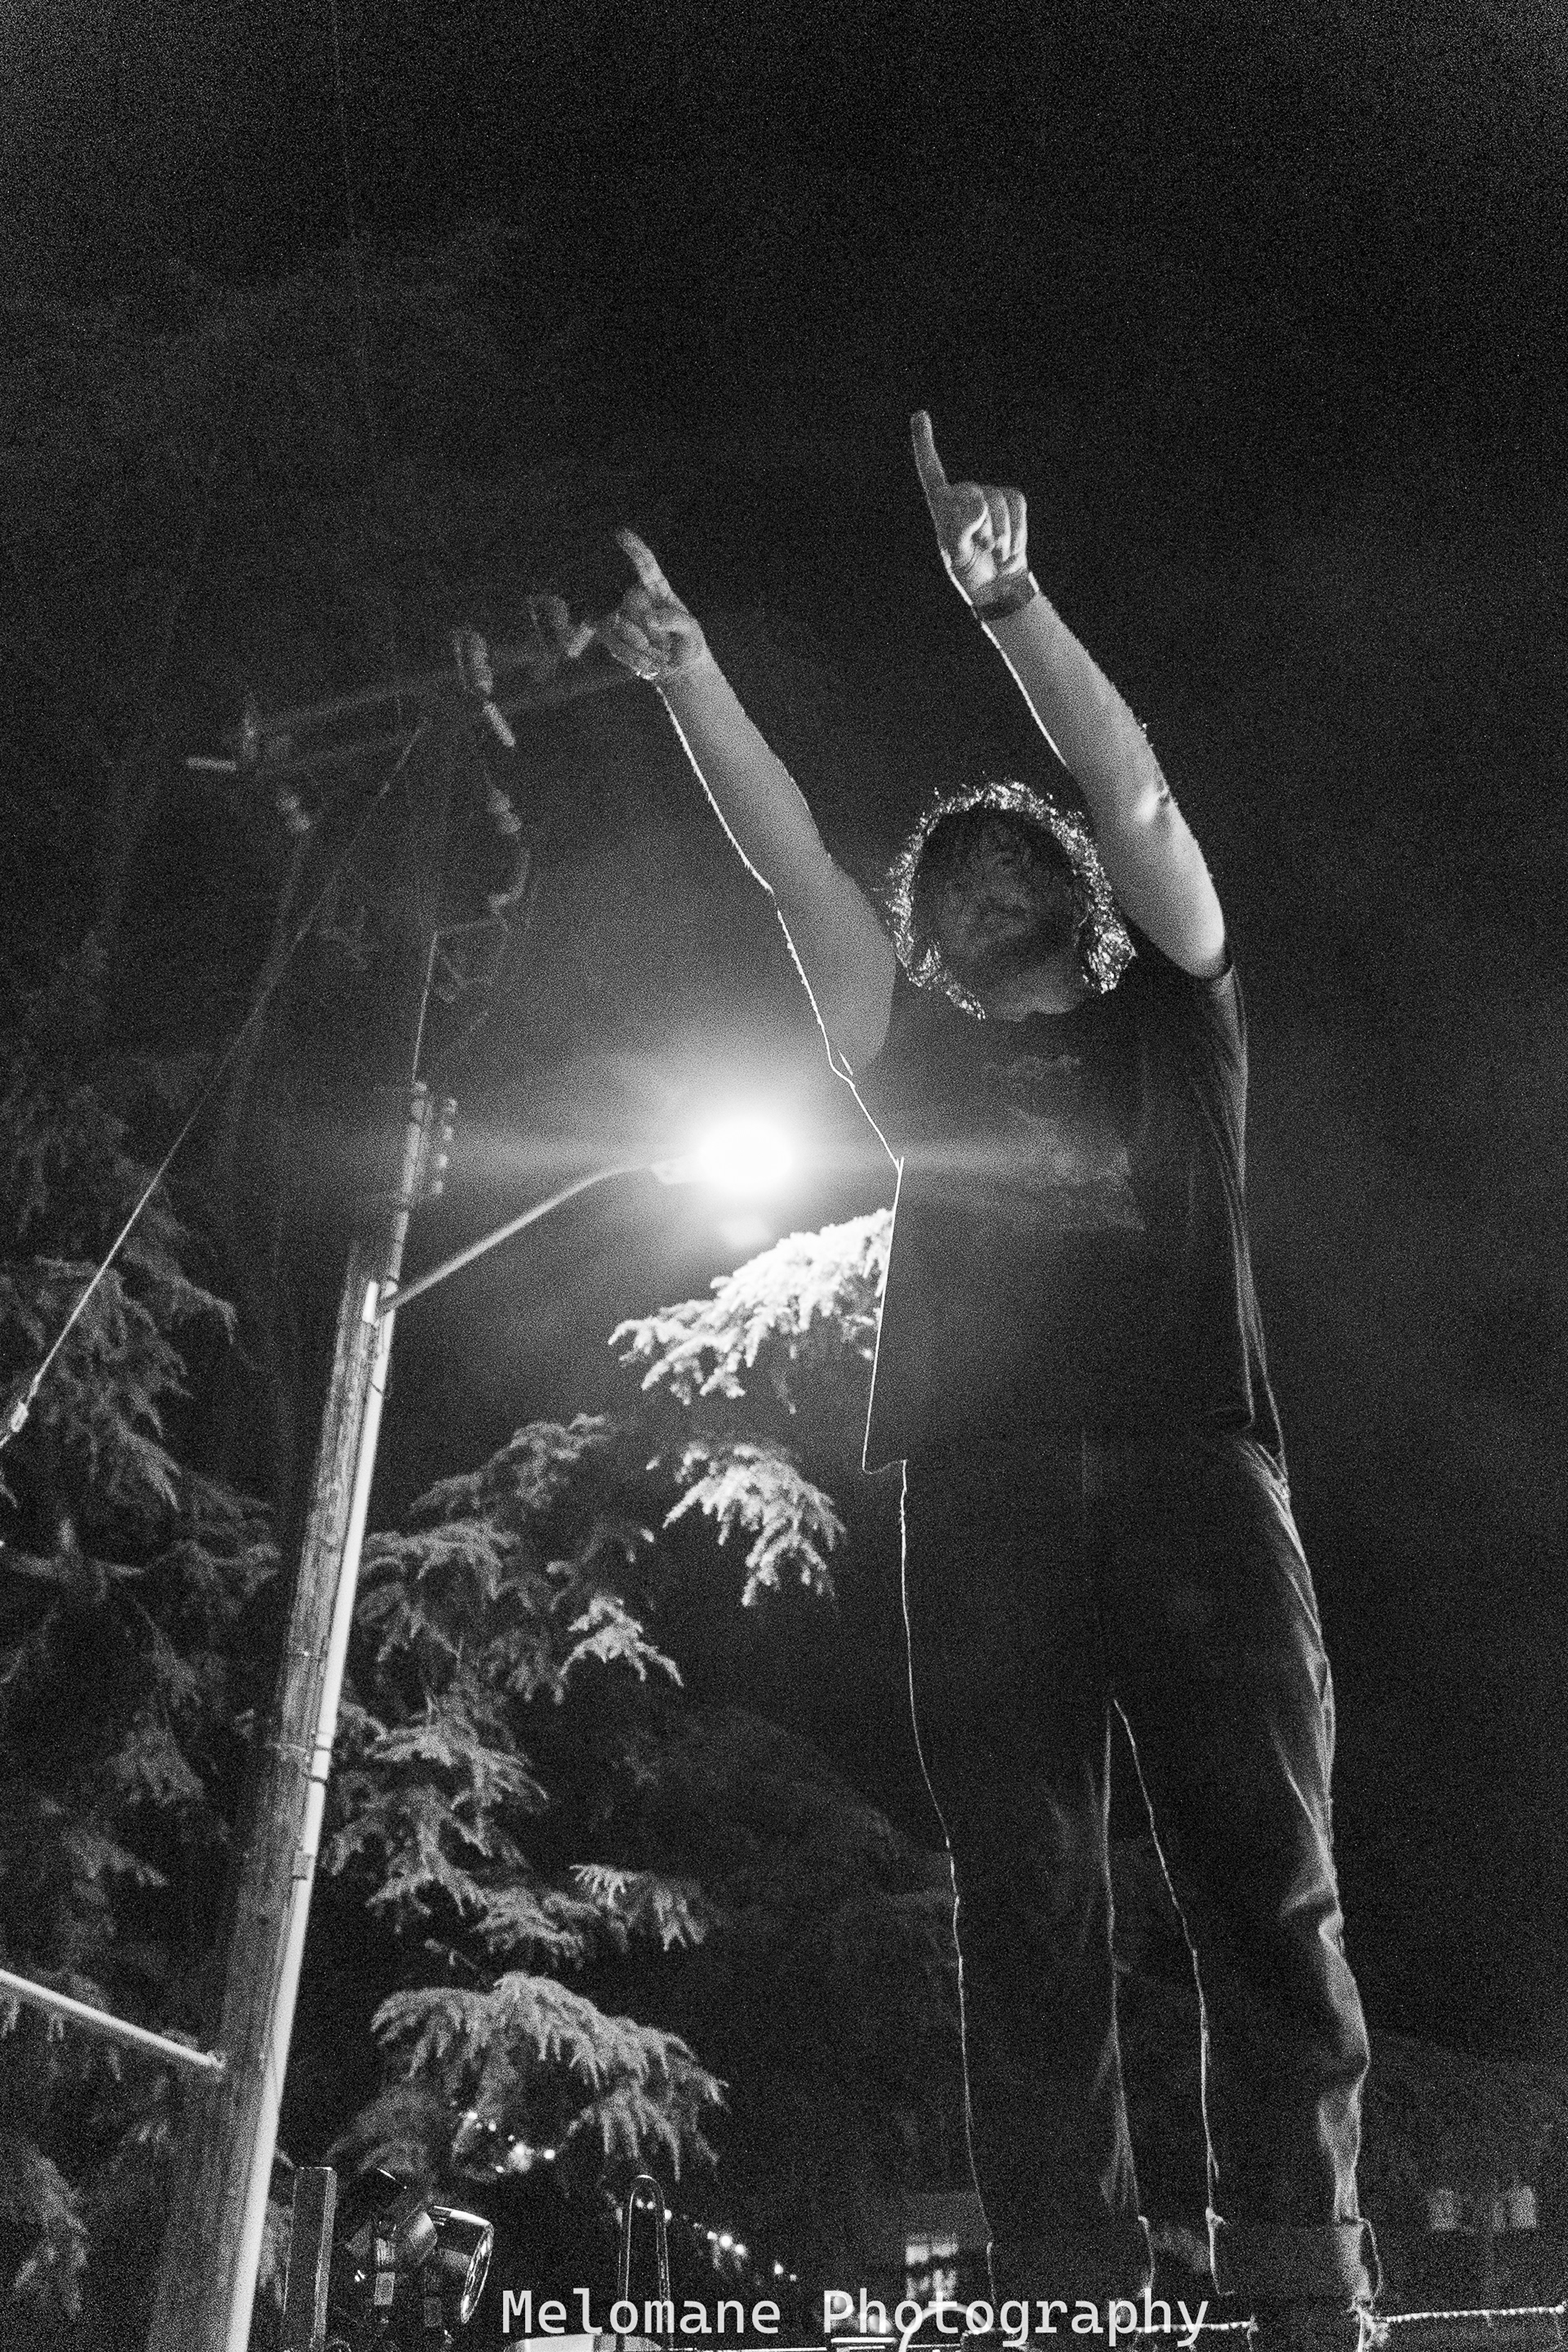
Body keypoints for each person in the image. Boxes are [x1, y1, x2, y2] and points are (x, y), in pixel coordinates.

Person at [586, 414, 1382, 2352]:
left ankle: (1306, 2291)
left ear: (1075, 894)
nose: (983, 887)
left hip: (1197, 1478)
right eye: (949, 882)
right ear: (928, 943)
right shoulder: (906, 1059)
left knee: (1265, 1886)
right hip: (989, 1500)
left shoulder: (1180, 1015)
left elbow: (1141, 790)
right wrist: (692, 684)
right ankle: (1076, 2300)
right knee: (1027, 1911)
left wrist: (1011, 603)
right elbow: (794, 874)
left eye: (1017, 860)